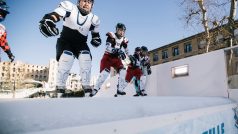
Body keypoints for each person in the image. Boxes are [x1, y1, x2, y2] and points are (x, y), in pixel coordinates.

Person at [39, 0, 101, 97]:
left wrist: (96, 40)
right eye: (84, 1)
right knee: (66, 58)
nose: (86, 4)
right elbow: (56, 14)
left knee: (86, 59)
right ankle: (60, 87)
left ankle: (86, 86)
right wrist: (49, 20)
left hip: (81, 43)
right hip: (66, 41)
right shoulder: (70, 7)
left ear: (92, 5)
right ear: (78, 2)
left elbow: (95, 35)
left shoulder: (94, 18)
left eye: (89, 2)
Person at [90, 23, 129, 97]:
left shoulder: (124, 40)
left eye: (123, 31)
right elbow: (108, 47)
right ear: (116, 30)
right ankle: (95, 89)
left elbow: (127, 50)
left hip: (116, 59)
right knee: (105, 73)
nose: (121, 32)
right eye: (120, 30)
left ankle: (120, 89)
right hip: (108, 57)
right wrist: (118, 51)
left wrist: (130, 56)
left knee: (123, 70)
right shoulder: (112, 35)